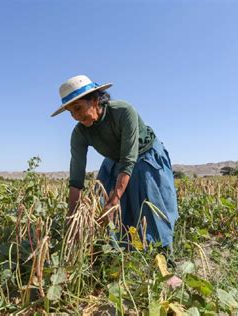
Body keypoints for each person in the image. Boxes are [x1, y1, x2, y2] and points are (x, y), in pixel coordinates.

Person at [51, 75, 181, 287]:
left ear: (95, 100)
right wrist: (72, 217)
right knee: (106, 210)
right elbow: (76, 178)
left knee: (150, 210)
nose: (75, 116)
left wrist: (115, 198)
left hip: (144, 157)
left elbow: (129, 159)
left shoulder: (122, 111)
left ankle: (165, 268)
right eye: (70, 112)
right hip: (114, 162)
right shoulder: (80, 133)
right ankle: (122, 254)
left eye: (78, 108)